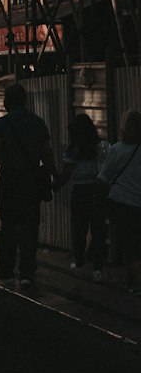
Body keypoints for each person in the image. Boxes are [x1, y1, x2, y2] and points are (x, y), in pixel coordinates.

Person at [0, 83, 57, 288]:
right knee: (29, 228)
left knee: (8, 227)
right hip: (31, 183)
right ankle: (27, 271)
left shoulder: (1, 125)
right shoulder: (37, 123)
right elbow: (47, 153)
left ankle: (7, 270)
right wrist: (55, 175)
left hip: (9, 182)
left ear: (7, 102)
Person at [54, 112, 108, 280]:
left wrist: (53, 185)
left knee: (79, 229)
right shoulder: (102, 147)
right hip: (97, 192)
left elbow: (66, 174)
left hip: (80, 192)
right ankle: (98, 268)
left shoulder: (73, 150)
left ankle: (78, 262)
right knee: (98, 230)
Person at [99, 109, 141, 295]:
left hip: (121, 204)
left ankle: (135, 281)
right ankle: (131, 280)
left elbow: (104, 178)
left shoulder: (116, 150)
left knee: (128, 244)